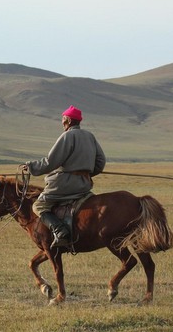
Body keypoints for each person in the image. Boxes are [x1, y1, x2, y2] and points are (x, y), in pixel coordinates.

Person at [22, 105, 106, 248]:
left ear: (67, 120)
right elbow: (100, 162)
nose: (61, 122)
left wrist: (31, 167)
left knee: (38, 205)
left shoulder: (67, 136)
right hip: (84, 184)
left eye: (62, 119)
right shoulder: (89, 136)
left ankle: (60, 230)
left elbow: (51, 162)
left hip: (65, 185)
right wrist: (86, 173)